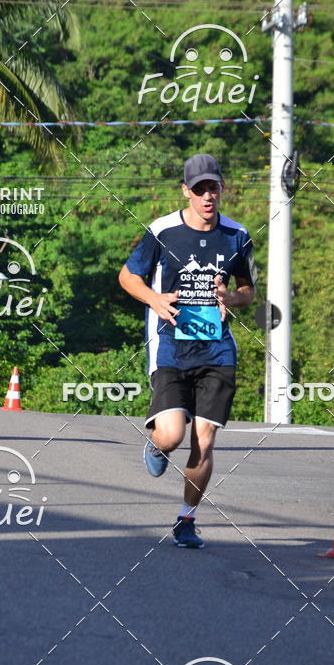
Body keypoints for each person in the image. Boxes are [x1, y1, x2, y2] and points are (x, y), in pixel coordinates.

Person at [118, 153, 257, 549]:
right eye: (199, 190)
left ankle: (186, 519)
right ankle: (156, 443)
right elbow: (128, 276)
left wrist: (232, 295)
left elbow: (248, 290)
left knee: (205, 439)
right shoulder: (163, 231)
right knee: (172, 435)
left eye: (213, 187)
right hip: (171, 349)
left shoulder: (237, 235)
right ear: (186, 192)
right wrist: (155, 300)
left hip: (217, 351)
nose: (207, 196)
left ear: (222, 189)